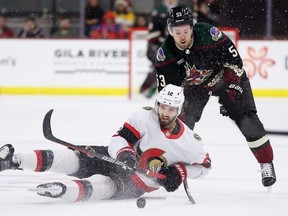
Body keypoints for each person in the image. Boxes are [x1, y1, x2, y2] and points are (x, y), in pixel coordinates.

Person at [0, 84, 211, 202]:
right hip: (113, 158)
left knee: (103, 186)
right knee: (74, 158)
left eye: (171, 109)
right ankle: (13, 160)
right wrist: (125, 154)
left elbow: (205, 167)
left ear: (179, 110)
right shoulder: (144, 117)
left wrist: (181, 172)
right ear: (157, 105)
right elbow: (119, 139)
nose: (165, 113)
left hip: (136, 183)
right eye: (163, 107)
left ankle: (63, 190)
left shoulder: (189, 142)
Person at [154, 6, 276, 188]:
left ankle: (266, 162)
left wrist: (231, 91)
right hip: (196, 87)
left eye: (186, 31)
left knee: (248, 121)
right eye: (177, 32)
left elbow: (234, 62)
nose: (182, 36)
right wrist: (170, 114)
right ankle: (168, 165)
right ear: (170, 31)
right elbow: (167, 93)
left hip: (226, 78)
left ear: (192, 28)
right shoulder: (166, 55)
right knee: (180, 125)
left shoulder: (209, 34)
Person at [140, 0, 179, 98]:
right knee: (160, 65)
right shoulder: (158, 11)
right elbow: (153, 32)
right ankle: (147, 88)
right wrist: (154, 46)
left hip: (178, 46)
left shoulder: (182, 9)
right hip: (160, 45)